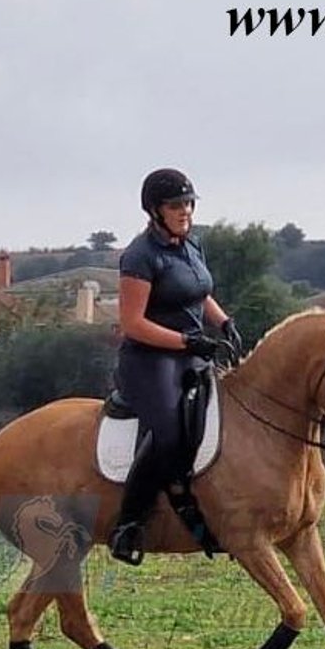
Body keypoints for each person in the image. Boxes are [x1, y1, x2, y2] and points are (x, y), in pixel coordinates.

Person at [108, 168, 244, 565]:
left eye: (188, 203)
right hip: (149, 360)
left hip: (191, 352)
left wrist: (224, 322)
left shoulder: (191, 245)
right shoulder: (140, 256)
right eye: (175, 205)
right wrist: (186, 340)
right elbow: (133, 323)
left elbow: (199, 293)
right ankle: (128, 524)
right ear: (155, 210)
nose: (185, 211)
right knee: (169, 433)